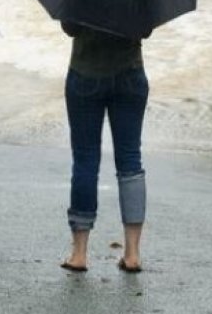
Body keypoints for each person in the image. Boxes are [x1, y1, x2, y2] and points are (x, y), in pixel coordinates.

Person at [60, 22, 149, 274]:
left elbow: (70, 27)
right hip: (130, 73)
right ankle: (132, 253)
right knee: (131, 160)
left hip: (85, 73)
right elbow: (144, 29)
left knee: (85, 160)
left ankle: (79, 254)